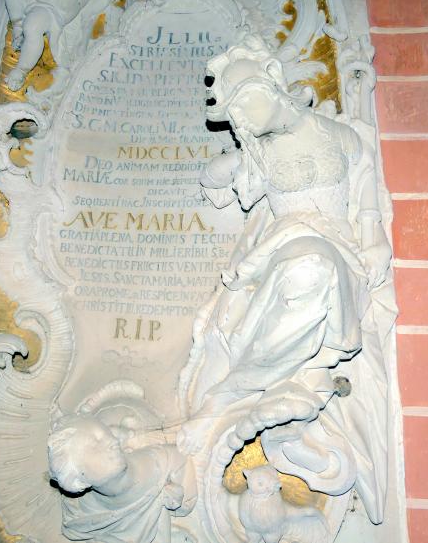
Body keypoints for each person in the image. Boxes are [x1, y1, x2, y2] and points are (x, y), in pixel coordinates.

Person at [177, 34, 394, 523]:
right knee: (305, 268)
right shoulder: (259, 152)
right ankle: (242, 393)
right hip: (283, 251)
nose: (242, 118)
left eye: (245, 101)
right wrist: (234, 158)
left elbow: (367, 197)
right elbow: (215, 182)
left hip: (340, 251)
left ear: (274, 81)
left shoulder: (342, 136)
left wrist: (375, 238)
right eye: (233, 113)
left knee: (314, 268)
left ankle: (258, 393)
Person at [49, 414, 196, 543]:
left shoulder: (170, 463)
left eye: (107, 434)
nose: (112, 441)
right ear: (77, 479)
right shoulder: (79, 514)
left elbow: (187, 500)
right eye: (95, 444)